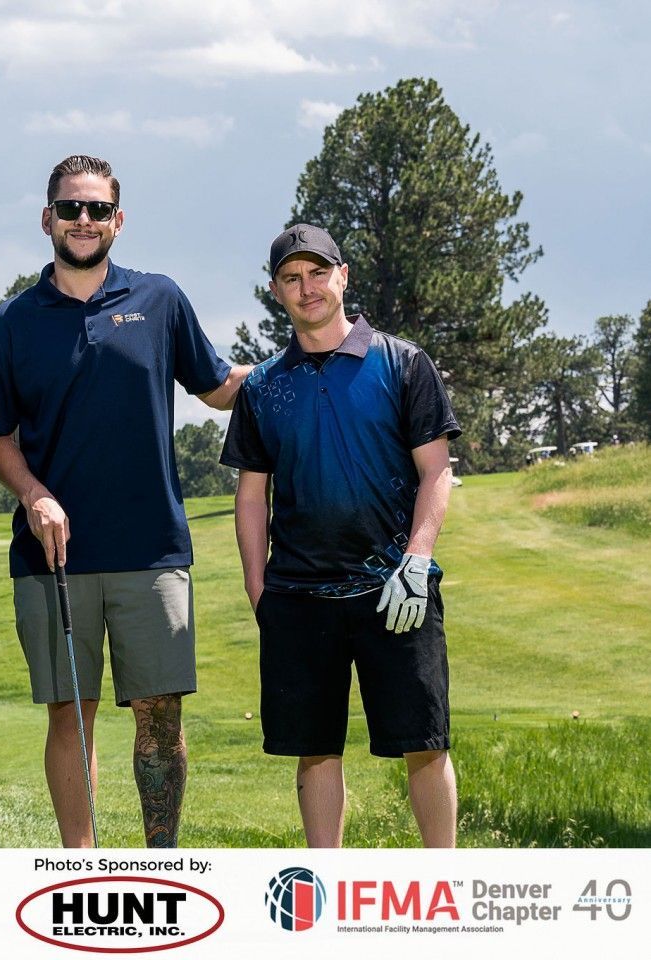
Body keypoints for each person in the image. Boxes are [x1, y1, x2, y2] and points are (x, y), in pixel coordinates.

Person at [0, 155, 249, 848]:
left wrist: (312, 360)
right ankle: (81, 867)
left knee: (160, 715)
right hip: (52, 556)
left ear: (117, 220)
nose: (82, 220)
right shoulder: (13, 320)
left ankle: (159, 862)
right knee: (69, 713)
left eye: (96, 209)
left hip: (150, 549)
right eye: (70, 208)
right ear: (47, 218)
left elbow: (219, 387)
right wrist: (34, 495)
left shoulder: (159, 300)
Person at [219, 223, 459, 847]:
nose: (308, 289)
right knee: (315, 749)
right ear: (276, 291)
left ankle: (448, 888)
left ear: (342, 276)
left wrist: (418, 558)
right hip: (299, 595)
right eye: (292, 279)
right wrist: (259, 588)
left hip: (396, 590)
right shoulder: (265, 385)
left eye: (318, 273)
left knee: (425, 744)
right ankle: (323, 895)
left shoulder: (402, 363)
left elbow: (436, 470)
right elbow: (251, 496)